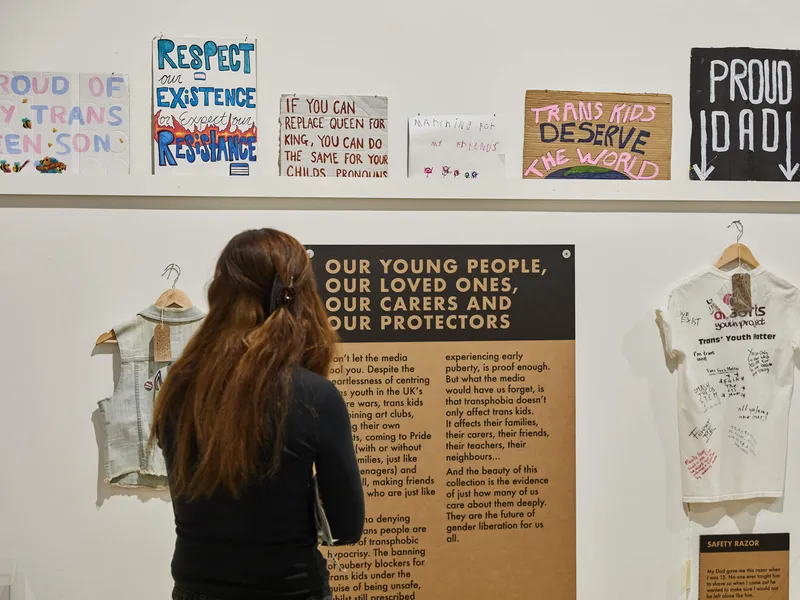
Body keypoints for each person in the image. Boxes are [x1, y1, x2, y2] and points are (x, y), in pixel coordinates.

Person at [150, 228, 364, 600]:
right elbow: (347, 527)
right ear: (300, 296)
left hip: (194, 590)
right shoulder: (315, 396)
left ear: (220, 292)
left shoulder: (179, 388)